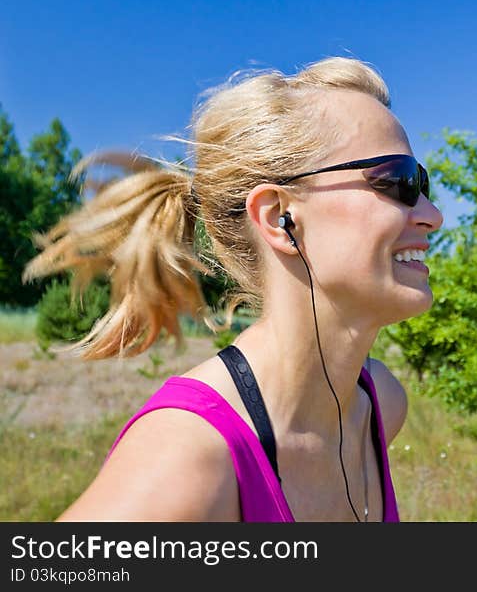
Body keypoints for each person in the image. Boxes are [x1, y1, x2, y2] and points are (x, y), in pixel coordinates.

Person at [22, 56, 443, 522]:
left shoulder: (380, 403)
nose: (431, 214)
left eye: (421, 183)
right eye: (397, 181)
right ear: (279, 218)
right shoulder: (191, 454)